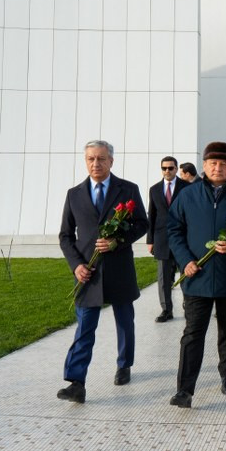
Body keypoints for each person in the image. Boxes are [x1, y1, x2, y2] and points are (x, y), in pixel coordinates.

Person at [167, 141, 226, 408]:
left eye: (223, 164)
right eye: (213, 163)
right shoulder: (187, 195)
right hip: (196, 276)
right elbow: (174, 230)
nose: (217, 168)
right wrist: (185, 260)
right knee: (192, 333)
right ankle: (184, 389)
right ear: (204, 165)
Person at [57, 140, 148, 403]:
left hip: (119, 269)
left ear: (111, 161)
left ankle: (124, 364)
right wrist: (76, 265)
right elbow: (65, 236)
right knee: (85, 327)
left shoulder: (128, 189)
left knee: (124, 321)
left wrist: (117, 241)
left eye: (101, 158)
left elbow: (142, 224)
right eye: (91, 159)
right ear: (85, 161)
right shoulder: (74, 194)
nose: (95, 164)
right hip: (88, 273)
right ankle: (76, 382)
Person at [147, 155, 188, 322]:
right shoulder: (154, 189)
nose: (167, 171)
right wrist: (150, 240)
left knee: (186, 274)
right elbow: (152, 215)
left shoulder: (186, 187)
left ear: (176, 169)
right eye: (164, 168)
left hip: (183, 238)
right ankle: (166, 310)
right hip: (161, 239)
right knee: (163, 277)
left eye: (170, 168)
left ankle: (189, 306)